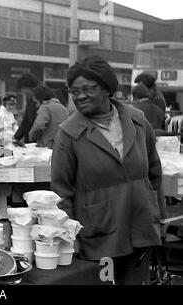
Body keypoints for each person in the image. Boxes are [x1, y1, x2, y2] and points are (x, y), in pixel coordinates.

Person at [51, 55, 167, 285]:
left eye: (88, 89)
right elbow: (60, 191)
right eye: (74, 91)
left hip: (140, 226)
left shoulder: (138, 121)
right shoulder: (68, 133)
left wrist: (160, 218)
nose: (80, 96)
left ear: (106, 88)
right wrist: (69, 237)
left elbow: (154, 172)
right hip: (99, 234)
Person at [14, 72, 41, 146]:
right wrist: (16, 137)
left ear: (33, 88)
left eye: (27, 93)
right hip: (29, 141)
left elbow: (40, 124)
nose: (26, 95)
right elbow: (26, 120)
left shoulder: (42, 100)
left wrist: (31, 137)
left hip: (39, 142)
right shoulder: (29, 99)